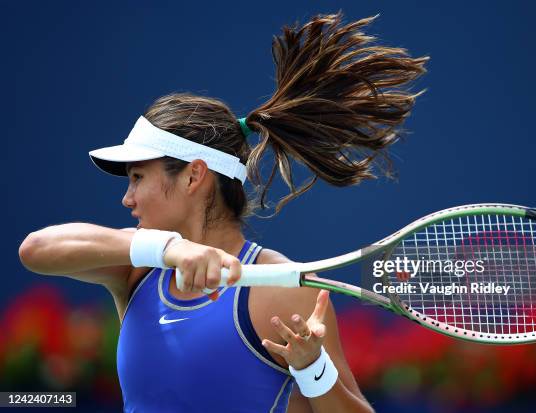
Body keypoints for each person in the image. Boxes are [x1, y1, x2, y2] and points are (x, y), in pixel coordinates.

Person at [18, 12, 427, 413]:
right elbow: (36, 249)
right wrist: (170, 250)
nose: (128, 198)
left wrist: (312, 368)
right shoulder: (137, 269)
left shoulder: (280, 290)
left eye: (138, 177)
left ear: (194, 176)